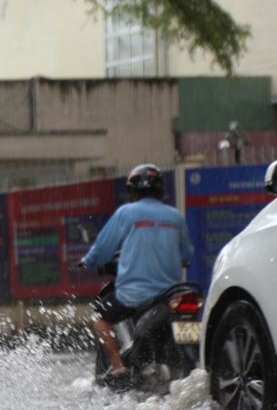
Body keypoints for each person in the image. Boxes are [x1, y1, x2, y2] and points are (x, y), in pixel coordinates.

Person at [79, 163, 194, 382]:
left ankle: (117, 366)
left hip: (136, 295)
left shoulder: (126, 213)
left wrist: (89, 261)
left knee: (100, 318)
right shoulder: (175, 216)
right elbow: (186, 252)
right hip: (172, 293)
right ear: (160, 190)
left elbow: (101, 250)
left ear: (133, 191)